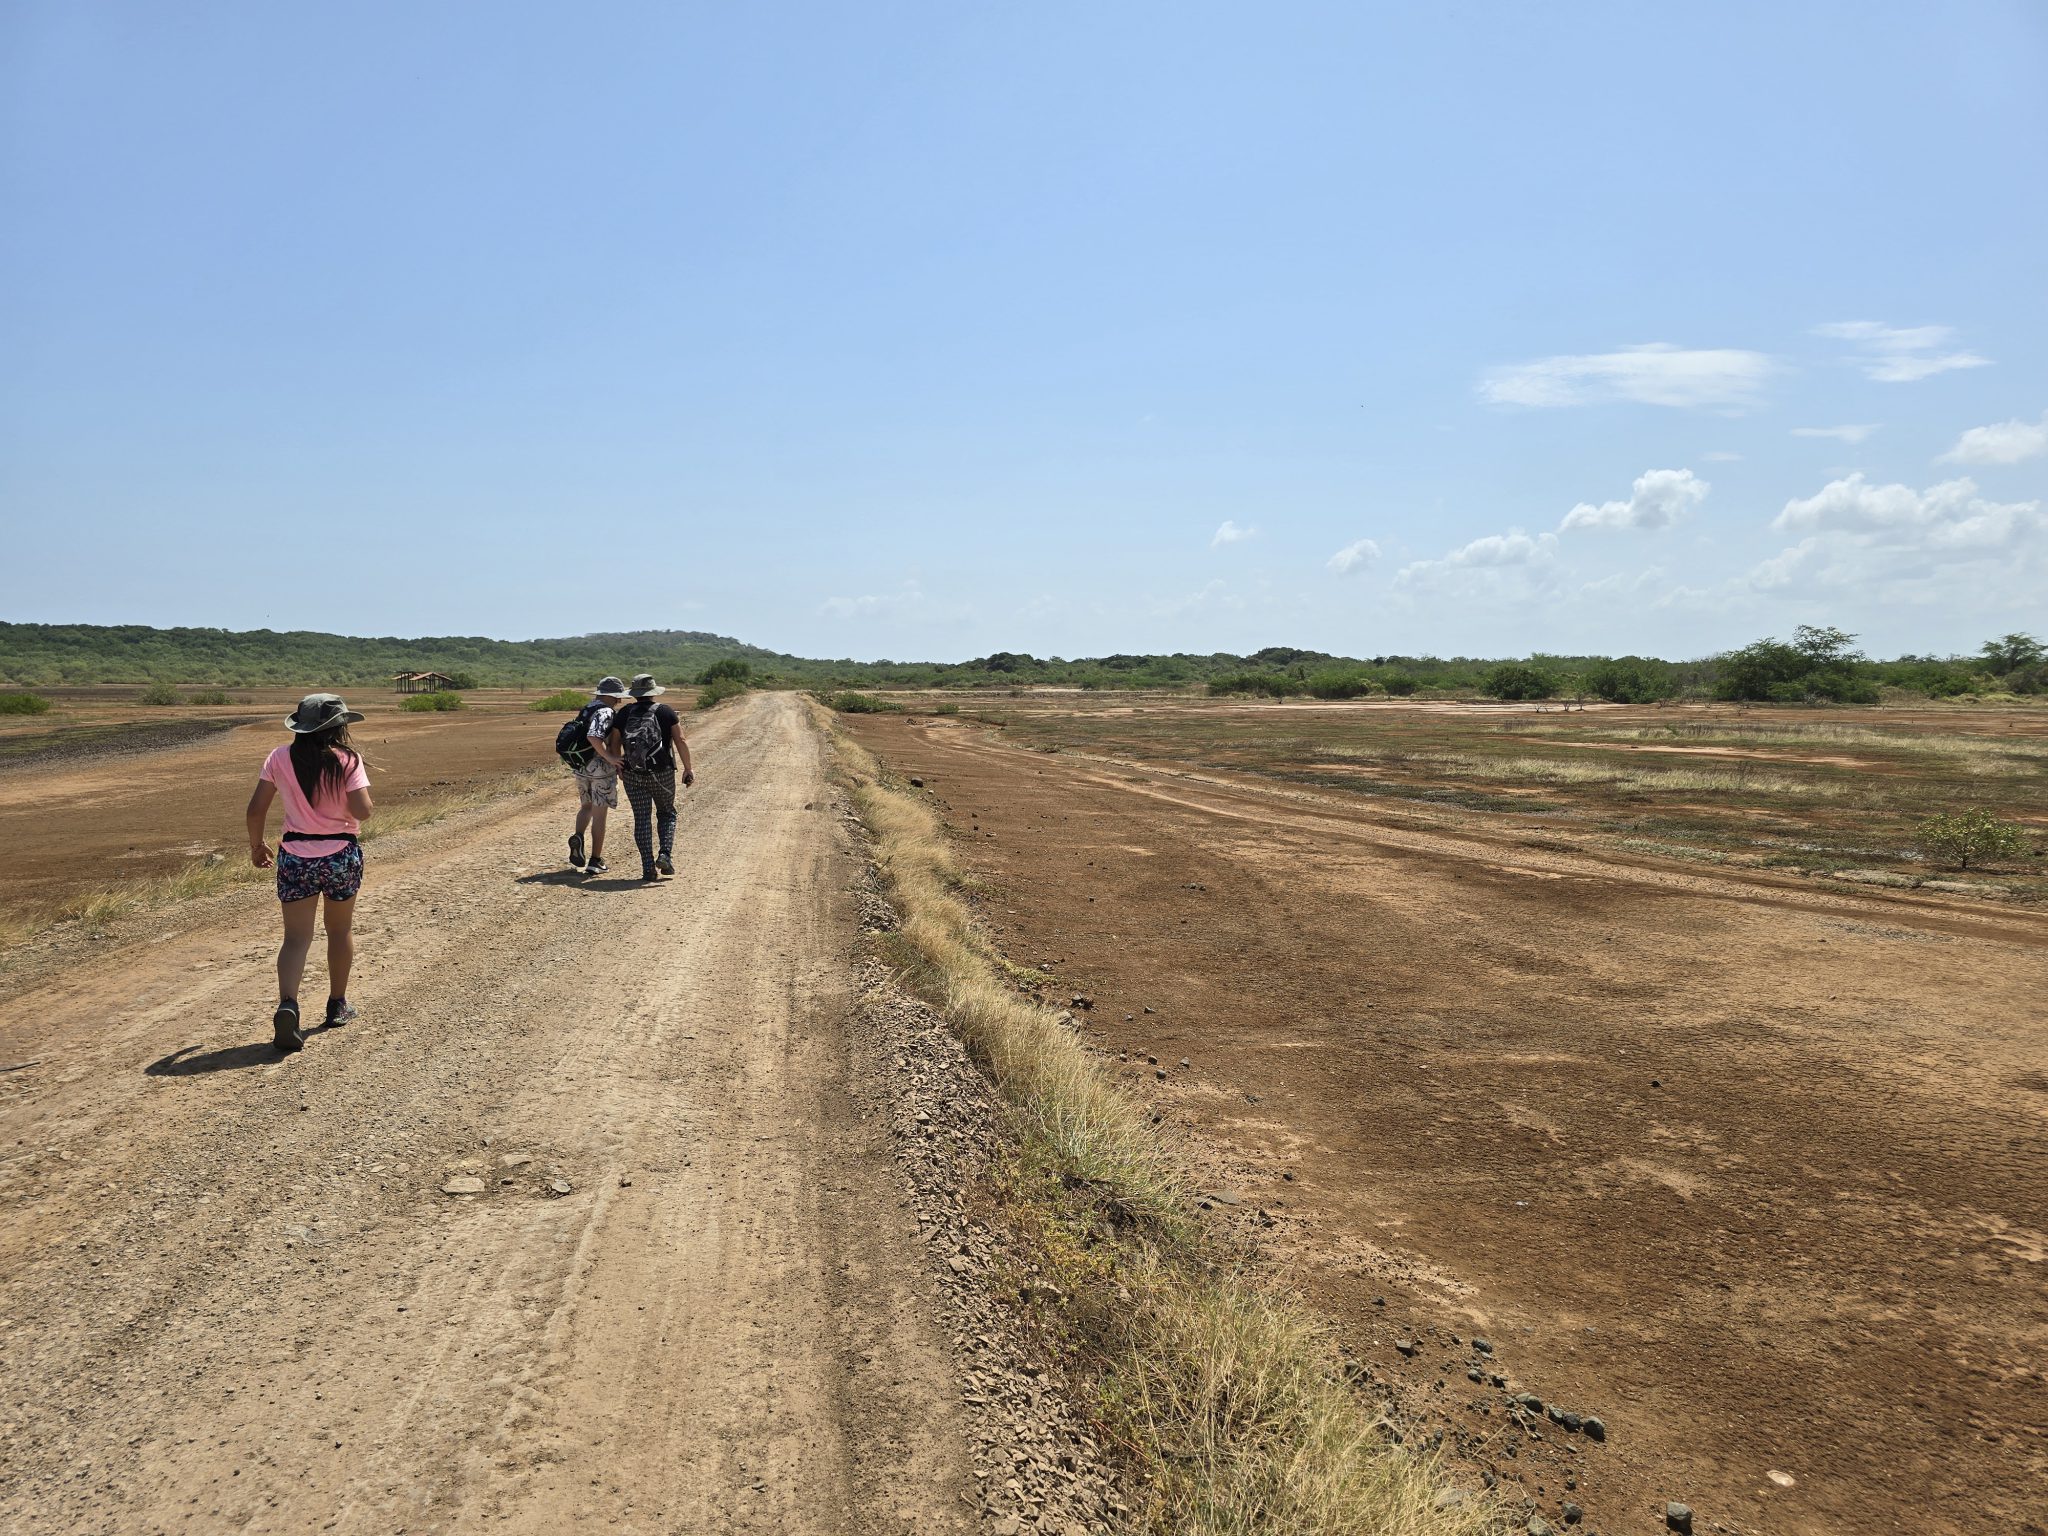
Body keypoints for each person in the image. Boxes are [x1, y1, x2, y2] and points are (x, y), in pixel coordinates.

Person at [246, 693, 374, 1054]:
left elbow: (255, 810)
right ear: (338, 727)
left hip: (295, 856)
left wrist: (257, 846)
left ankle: (288, 1004)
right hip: (340, 856)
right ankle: (337, 1005)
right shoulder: (347, 760)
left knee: (295, 939)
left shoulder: (278, 757)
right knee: (339, 930)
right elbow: (362, 811)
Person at [606, 673, 695, 883]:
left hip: (633, 774)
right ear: (653, 692)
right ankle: (665, 854)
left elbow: (614, 742)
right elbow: (681, 740)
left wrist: (619, 764)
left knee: (642, 818)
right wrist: (688, 768)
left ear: (634, 693)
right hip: (662, 773)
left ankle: (648, 868)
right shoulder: (665, 711)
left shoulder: (624, 713)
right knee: (667, 813)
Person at [569, 677, 629, 877]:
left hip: (581, 766)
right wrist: (610, 758)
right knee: (600, 815)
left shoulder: (587, 709)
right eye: (618, 697)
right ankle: (595, 861)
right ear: (613, 696)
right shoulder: (606, 711)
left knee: (585, 807)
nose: (619, 701)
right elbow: (593, 736)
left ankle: (578, 837)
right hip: (600, 769)